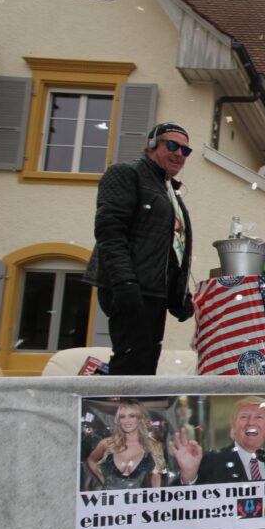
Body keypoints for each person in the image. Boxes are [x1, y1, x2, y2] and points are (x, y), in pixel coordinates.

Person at [83, 122, 195, 375]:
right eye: (172, 145)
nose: (179, 154)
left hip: (154, 291)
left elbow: (172, 249)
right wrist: (124, 283)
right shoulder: (127, 173)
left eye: (185, 151)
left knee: (145, 363)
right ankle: (121, 412)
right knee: (132, 362)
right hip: (131, 286)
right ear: (152, 145)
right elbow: (110, 232)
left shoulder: (167, 191)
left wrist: (179, 296)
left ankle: (134, 412)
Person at [169, 396, 265, 485]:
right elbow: (177, 503)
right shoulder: (209, 462)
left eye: (259, 417)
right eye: (244, 417)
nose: (251, 423)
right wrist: (189, 476)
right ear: (233, 425)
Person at [86, 399, 166, 490]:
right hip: (110, 501)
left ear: (140, 419)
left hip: (139, 502)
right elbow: (91, 461)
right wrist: (103, 480)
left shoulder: (153, 446)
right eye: (122, 417)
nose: (126, 421)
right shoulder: (107, 443)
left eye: (132, 416)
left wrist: (156, 498)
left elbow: (156, 477)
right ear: (118, 420)